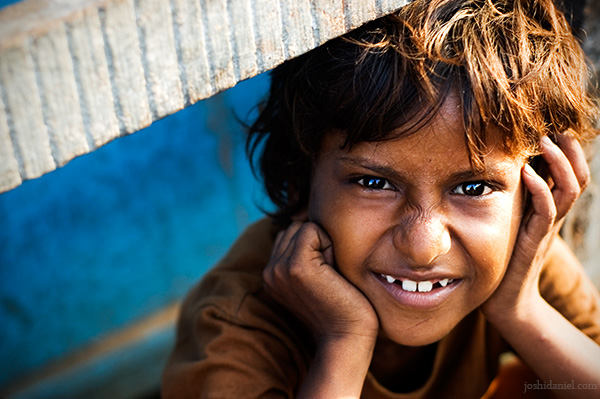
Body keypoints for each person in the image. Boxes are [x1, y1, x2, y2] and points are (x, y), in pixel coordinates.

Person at [162, 0, 600, 397]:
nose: (423, 247)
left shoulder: (519, 263)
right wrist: (344, 342)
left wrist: (521, 311)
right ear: (298, 180)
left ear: (532, 196)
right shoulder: (235, 326)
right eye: (374, 183)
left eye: (473, 188)